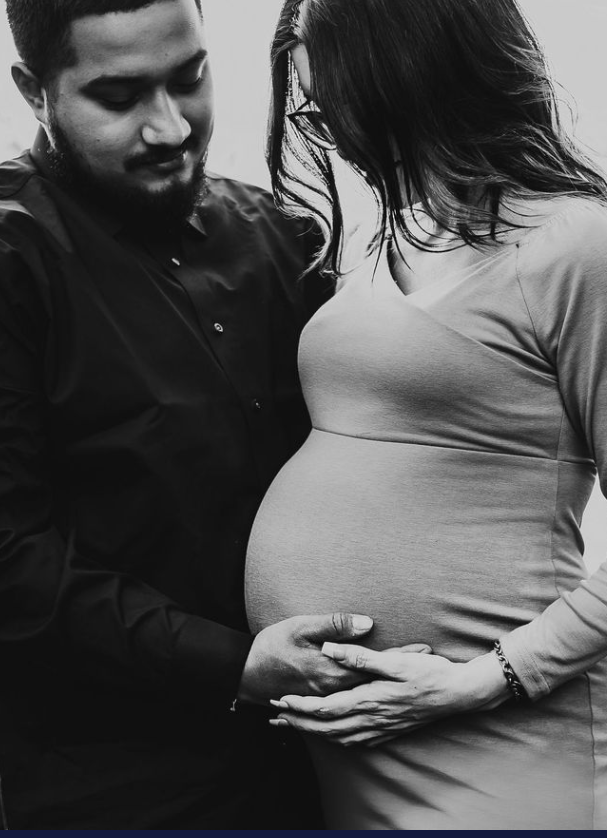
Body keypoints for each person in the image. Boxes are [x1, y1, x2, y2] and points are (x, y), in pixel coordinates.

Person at [0, 0, 378, 828]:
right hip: (115, 795)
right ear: (34, 90)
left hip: (330, 769)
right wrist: (235, 666)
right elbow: (12, 563)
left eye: (189, 78)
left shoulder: (281, 235)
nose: (169, 128)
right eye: (119, 96)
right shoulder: (13, 258)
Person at [245, 0, 607, 829]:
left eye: (336, 105)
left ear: (408, 79)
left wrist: (485, 678)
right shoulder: (382, 241)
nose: (331, 135)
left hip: (499, 737)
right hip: (359, 745)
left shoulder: (573, 245)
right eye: (310, 112)